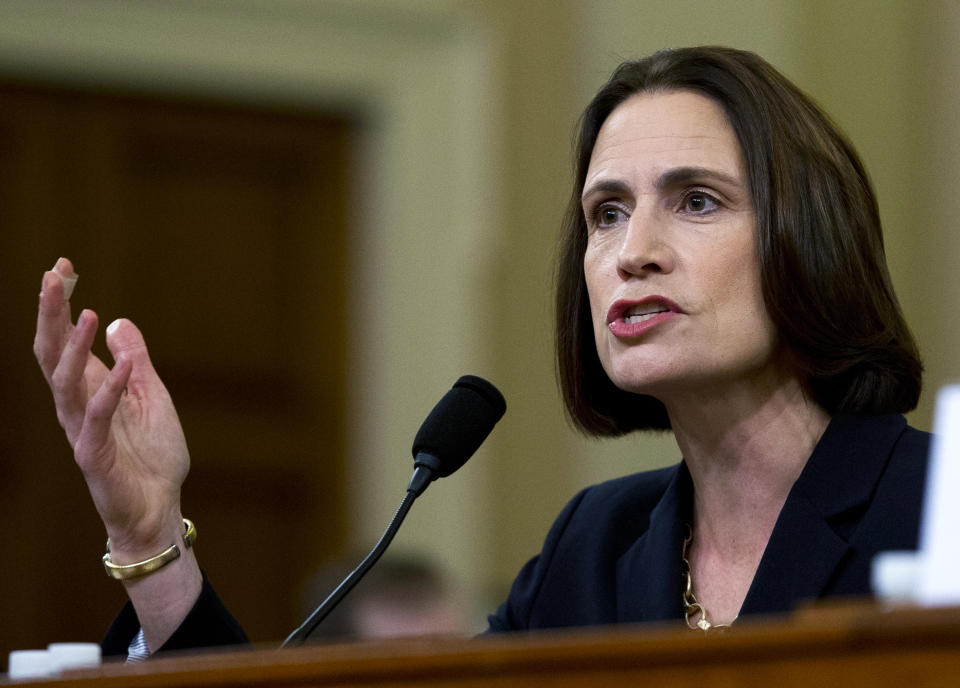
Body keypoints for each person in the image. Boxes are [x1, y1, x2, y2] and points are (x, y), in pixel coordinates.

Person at [33, 46, 928, 656]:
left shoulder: (936, 508)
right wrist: (149, 535)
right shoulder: (595, 546)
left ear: (810, 241)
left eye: (696, 201)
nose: (630, 251)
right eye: (605, 213)